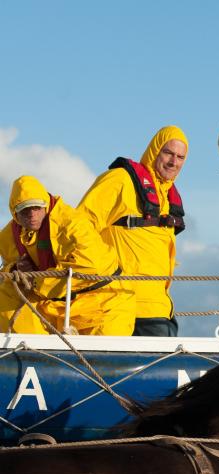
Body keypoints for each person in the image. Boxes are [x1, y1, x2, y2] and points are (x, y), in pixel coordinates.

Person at [78, 125, 188, 336]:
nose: (174, 162)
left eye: (180, 157)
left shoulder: (169, 199)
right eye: (168, 153)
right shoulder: (120, 180)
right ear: (155, 150)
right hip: (117, 305)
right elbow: (80, 226)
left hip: (159, 308)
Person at [0, 176, 135, 335]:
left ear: (46, 204)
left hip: (105, 302)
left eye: (37, 207)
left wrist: (36, 280)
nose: (32, 214)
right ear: (14, 212)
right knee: (6, 295)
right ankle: (29, 356)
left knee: (102, 357)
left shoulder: (73, 224)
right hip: (57, 307)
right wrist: (15, 268)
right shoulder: (8, 237)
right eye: (24, 209)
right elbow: (6, 270)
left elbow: (90, 267)